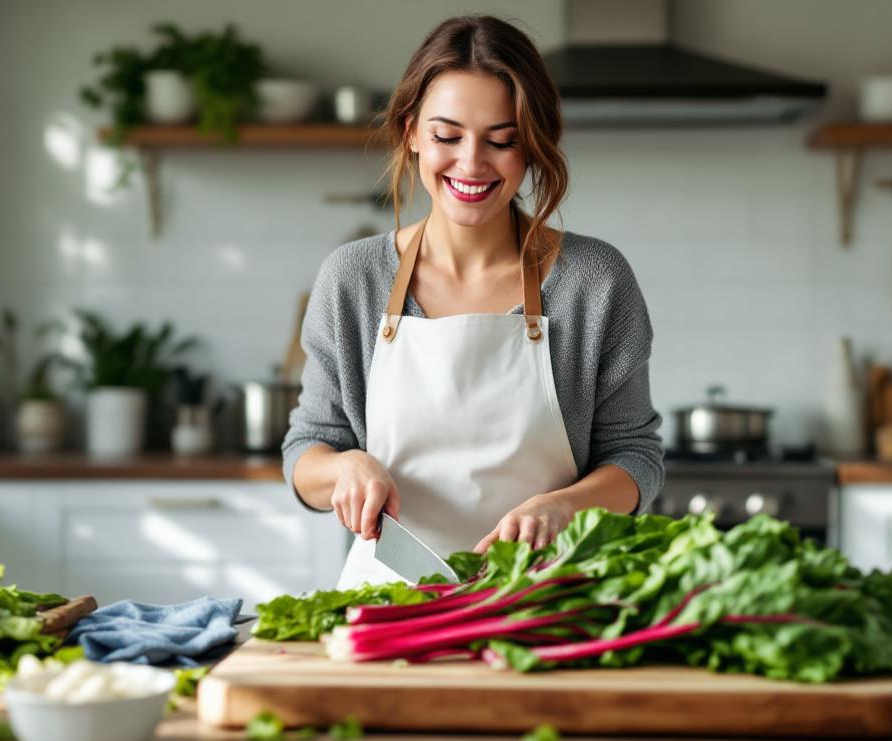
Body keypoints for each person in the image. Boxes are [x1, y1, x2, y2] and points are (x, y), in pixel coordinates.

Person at [283, 15, 664, 588]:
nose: (471, 163)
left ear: (532, 145)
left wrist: (564, 506)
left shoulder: (593, 280)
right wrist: (345, 468)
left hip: (549, 604)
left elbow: (636, 459)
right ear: (411, 132)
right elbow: (305, 452)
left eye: (502, 140)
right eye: (447, 135)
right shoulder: (354, 278)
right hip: (392, 609)